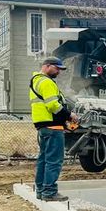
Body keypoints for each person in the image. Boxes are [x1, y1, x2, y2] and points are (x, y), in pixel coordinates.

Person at [30, 57, 77, 202]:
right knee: (54, 161)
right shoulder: (46, 82)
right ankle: (49, 192)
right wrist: (70, 115)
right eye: (57, 68)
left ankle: (41, 190)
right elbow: (53, 105)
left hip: (43, 126)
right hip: (52, 126)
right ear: (47, 66)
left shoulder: (36, 81)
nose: (59, 72)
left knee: (44, 159)